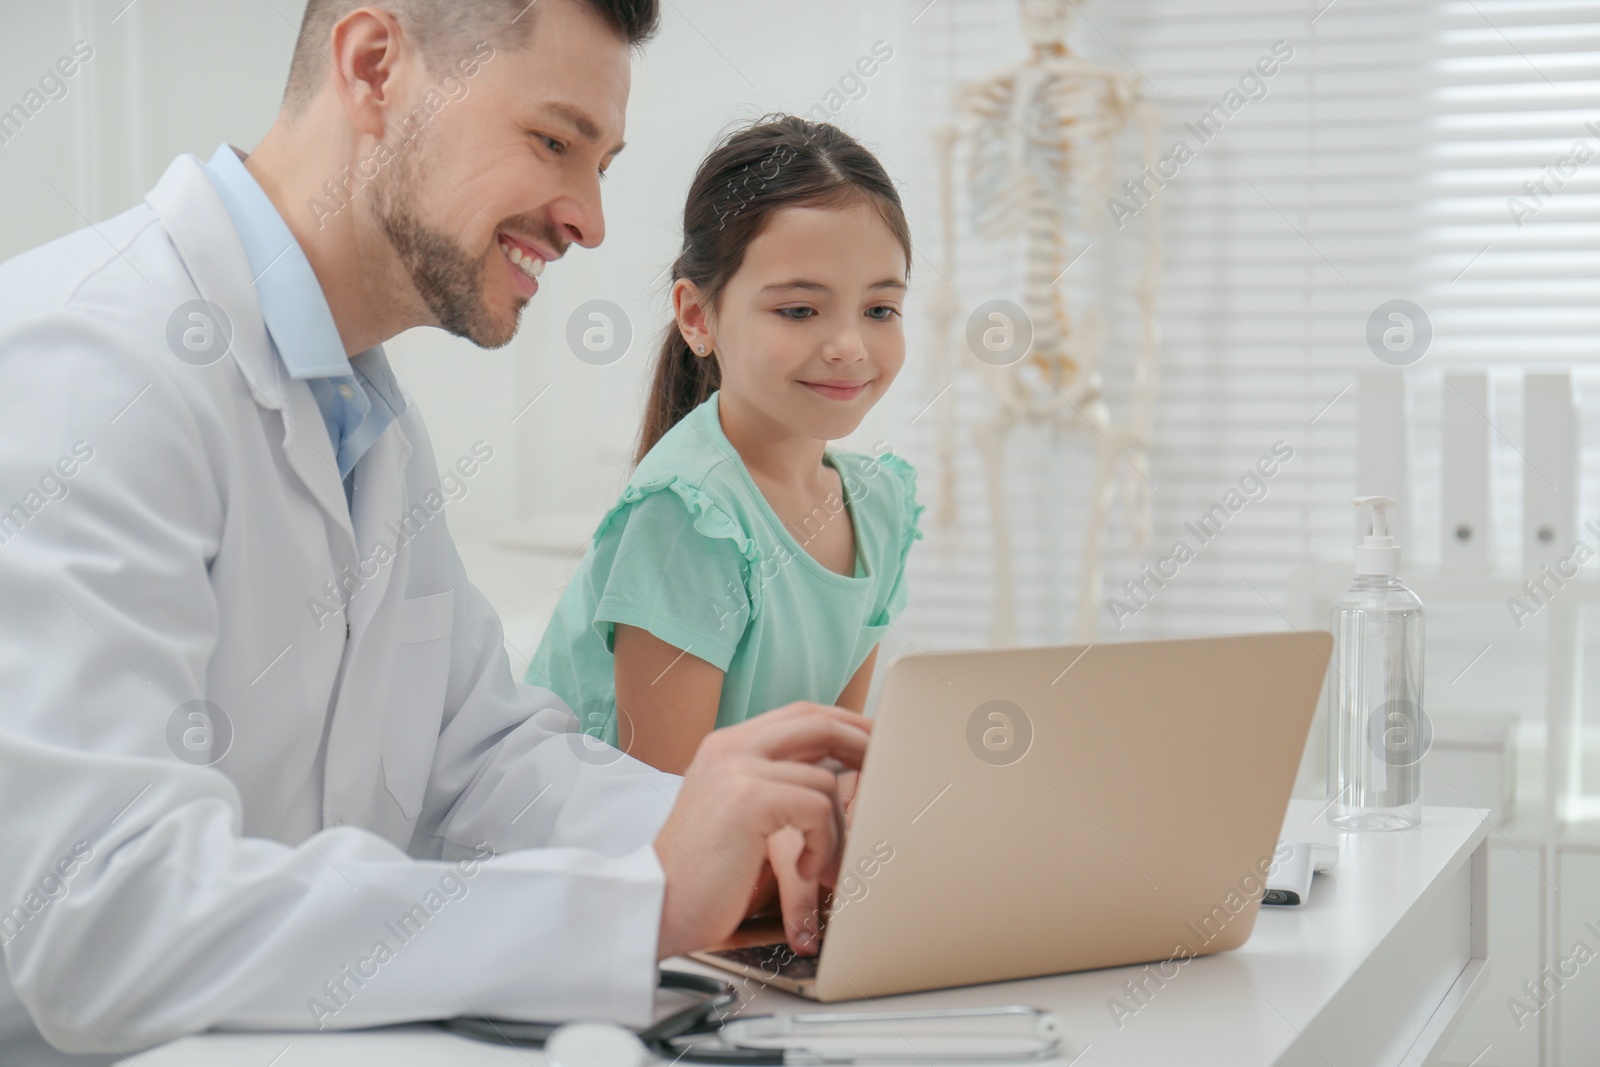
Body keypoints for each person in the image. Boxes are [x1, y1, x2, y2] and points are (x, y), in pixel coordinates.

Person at [0, 1, 867, 1062]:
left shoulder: (366, 413)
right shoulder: (83, 365)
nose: (589, 219)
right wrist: (629, 904)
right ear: (374, 68)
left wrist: (757, 833)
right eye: (554, 142)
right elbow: (104, 920)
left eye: (602, 162)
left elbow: (481, 760)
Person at [526, 116, 922, 779]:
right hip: (615, 859)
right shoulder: (688, 515)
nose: (850, 346)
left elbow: (834, 765)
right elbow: (663, 815)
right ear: (697, 317)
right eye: (799, 310)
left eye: (879, 310)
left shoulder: (881, 507)